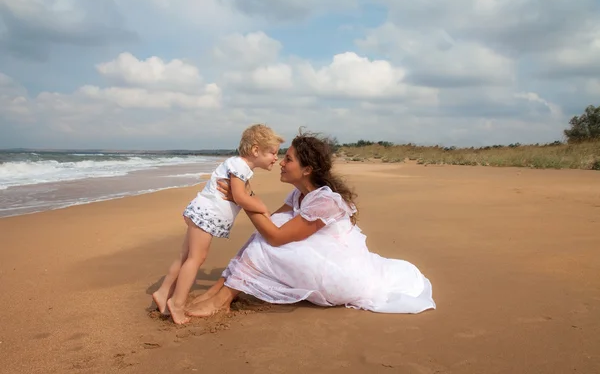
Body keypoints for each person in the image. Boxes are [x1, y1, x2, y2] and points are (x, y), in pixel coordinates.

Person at [184, 131, 435, 318]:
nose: (281, 162)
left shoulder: (326, 201)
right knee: (269, 228)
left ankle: (222, 299)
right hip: (327, 261)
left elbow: (275, 238)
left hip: (343, 277)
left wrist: (246, 198)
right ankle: (218, 291)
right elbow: (270, 222)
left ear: (307, 170)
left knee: (266, 242)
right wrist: (247, 198)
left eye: (289, 159)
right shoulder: (298, 195)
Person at [152, 124, 284, 324]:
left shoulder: (237, 165)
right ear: (256, 150)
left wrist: (255, 202)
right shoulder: (240, 167)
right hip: (207, 215)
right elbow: (240, 197)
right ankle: (177, 304)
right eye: (272, 153)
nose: (276, 158)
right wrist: (262, 208)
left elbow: (241, 195)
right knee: (196, 259)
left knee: (185, 256)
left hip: (201, 212)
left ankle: (163, 293)